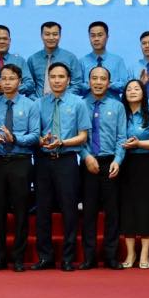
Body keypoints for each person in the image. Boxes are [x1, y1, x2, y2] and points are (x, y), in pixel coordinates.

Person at [31, 62, 89, 272]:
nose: (56, 80)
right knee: (43, 211)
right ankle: (45, 257)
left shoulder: (78, 103)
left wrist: (63, 142)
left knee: (69, 211)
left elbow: (83, 136)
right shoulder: (38, 104)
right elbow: (33, 135)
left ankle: (67, 258)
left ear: (68, 79)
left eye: (61, 76)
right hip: (44, 161)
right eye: (53, 76)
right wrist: (41, 140)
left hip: (67, 161)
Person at [0, 63, 39, 272]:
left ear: (19, 81)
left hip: (21, 162)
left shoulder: (30, 105)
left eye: (11, 78)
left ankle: (18, 257)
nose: (7, 82)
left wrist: (14, 138)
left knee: (21, 212)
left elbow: (35, 135)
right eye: (3, 78)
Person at [78, 65, 126, 270]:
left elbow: (121, 137)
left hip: (111, 163)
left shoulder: (117, 106)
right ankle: (89, 257)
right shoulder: (80, 105)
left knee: (112, 213)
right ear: (89, 82)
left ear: (109, 82)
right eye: (94, 78)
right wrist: (86, 157)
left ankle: (110, 255)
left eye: (102, 79)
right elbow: (77, 137)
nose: (98, 82)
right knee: (88, 213)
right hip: (88, 164)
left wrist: (118, 160)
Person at [118, 78, 149, 269]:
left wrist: (139, 144)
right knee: (127, 208)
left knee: (146, 208)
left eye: (137, 88)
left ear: (144, 93)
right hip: (125, 163)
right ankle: (131, 253)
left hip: (146, 164)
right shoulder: (121, 115)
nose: (132, 91)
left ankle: (145, 253)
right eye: (129, 89)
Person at [26, 21, 84, 97]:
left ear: (60, 36)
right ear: (41, 36)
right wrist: (36, 102)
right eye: (47, 34)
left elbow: (77, 84)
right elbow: (30, 85)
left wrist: (64, 99)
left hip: (65, 105)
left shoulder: (70, 58)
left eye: (55, 34)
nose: (51, 38)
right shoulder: (32, 59)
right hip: (39, 105)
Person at [80, 22, 130, 99]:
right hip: (88, 106)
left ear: (107, 37)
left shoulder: (118, 61)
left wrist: (109, 84)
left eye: (100, 35)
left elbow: (125, 85)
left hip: (113, 106)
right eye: (92, 36)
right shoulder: (82, 61)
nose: (96, 39)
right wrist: (91, 85)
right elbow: (77, 87)